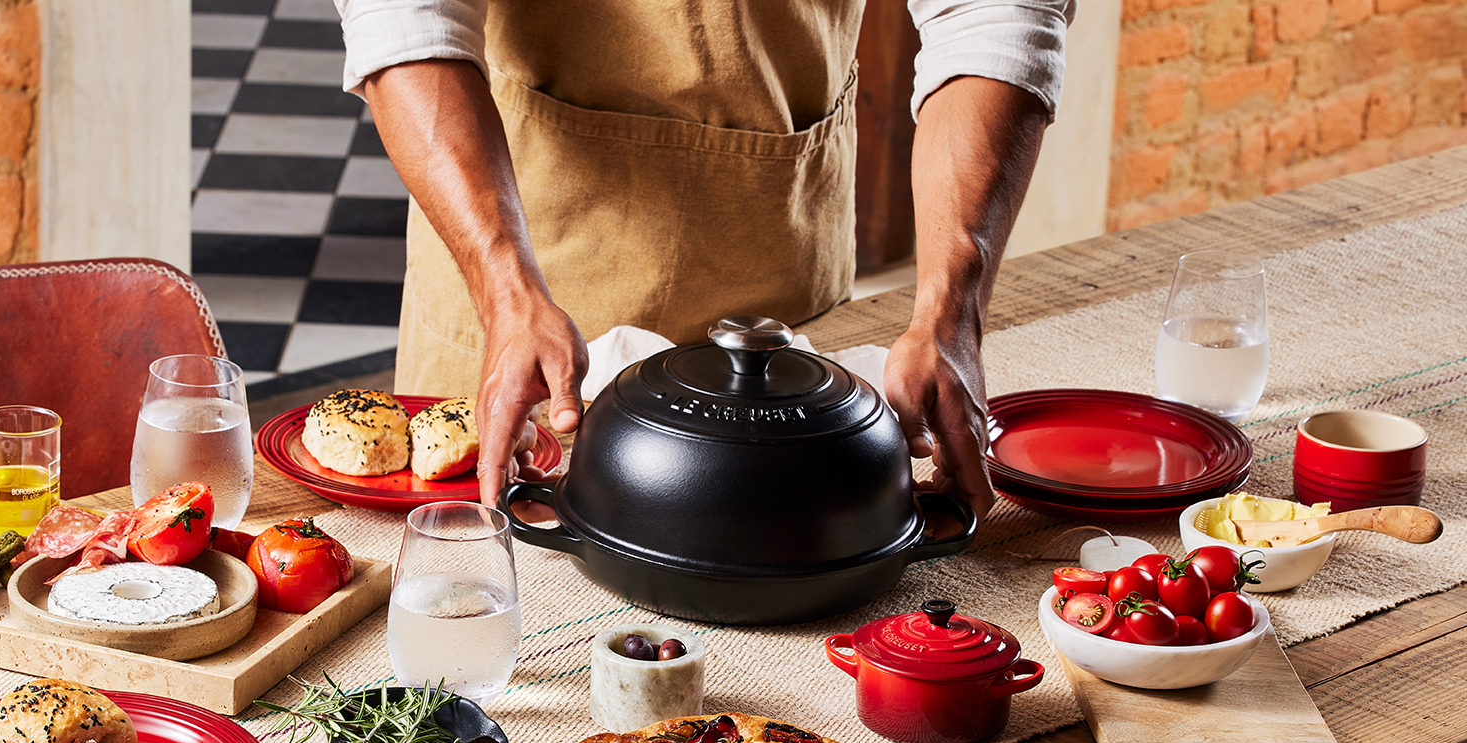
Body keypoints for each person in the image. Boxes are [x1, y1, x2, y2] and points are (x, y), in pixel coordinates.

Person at [335, 0, 1077, 520]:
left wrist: (952, 311)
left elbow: (993, 12)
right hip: (518, 270)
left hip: (777, 262)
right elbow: (403, 17)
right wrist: (503, 291)